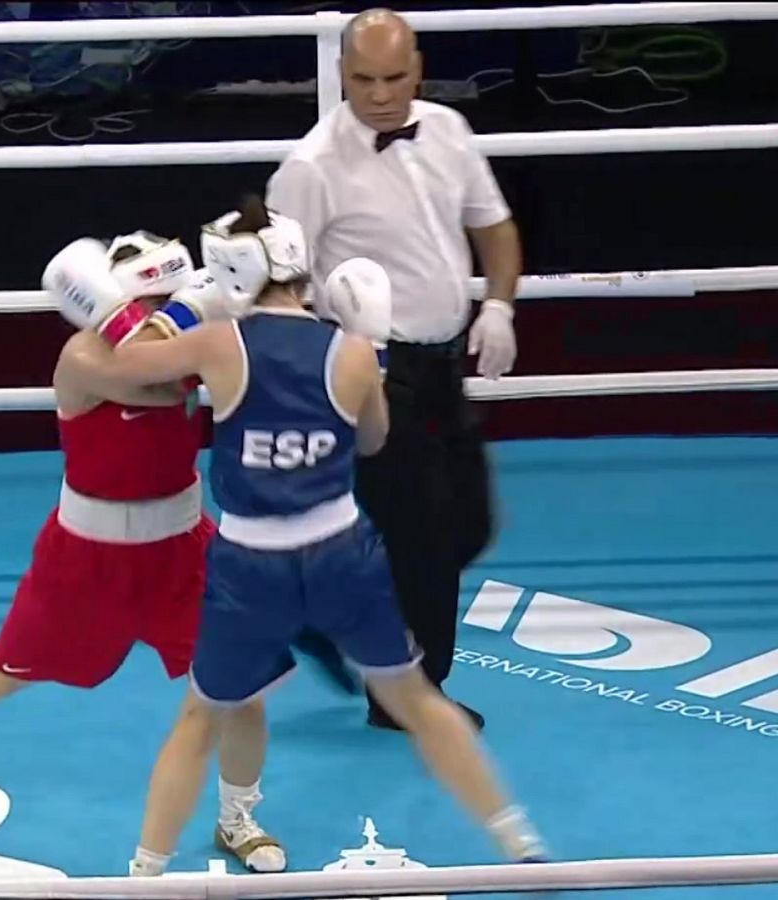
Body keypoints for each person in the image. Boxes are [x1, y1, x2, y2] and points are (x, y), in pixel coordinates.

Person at [52, 197, 546, 873]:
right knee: (416, 701)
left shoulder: (218, 344)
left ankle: (143, 874)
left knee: (201, 719)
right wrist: (365, 352)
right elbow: (372, 442)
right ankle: (517, 837)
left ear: (230, 273)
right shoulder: (348, 351)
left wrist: (153, 310)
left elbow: (120, 368)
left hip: (251, 565)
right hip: (343, 553)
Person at [0, 231, 256, 838]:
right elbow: (152, 382)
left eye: (171, 301)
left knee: (240, 686)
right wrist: (200, 312)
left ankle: (238, 818)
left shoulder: (197, 343)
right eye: (152, 306)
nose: (163, 318)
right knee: (3, 671)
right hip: (85, 559)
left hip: (183, 551)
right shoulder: (83, 357)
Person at [264, 8, 522, 731]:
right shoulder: (311, 169)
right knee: (423, 537)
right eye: (363, 80)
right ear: (342, 75)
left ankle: (318, 608)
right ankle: (406, 694)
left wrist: (498, 306)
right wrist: (335, 370)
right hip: (376, 372)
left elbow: (492, 224)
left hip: (444, 364)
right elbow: (275, 289)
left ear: (420, 67)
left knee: (471, 524)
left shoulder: (447, 130)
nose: (379, 94)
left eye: (394, 77)